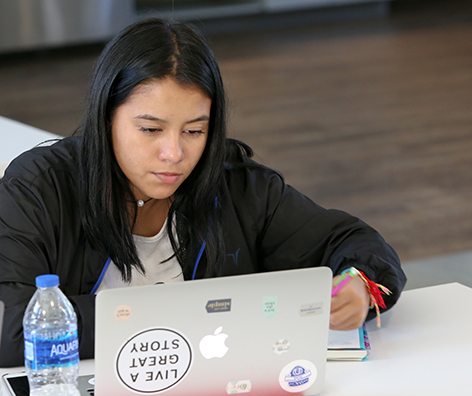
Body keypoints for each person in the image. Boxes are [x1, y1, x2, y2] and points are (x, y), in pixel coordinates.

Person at [0, 18, 406, 367]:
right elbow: (14, 329)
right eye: (150, 129)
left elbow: (354, 242)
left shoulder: (234, 184)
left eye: (194, 131)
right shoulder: (39, 187)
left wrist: (357, 283)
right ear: (106, 118)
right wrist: (192, 315)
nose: (174, 154)